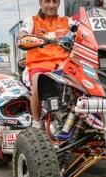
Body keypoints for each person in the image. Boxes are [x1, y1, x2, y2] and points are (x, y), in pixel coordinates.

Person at [17, 0, 70, 129]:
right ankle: (37, 122)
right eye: (47, 1)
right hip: (39, 65)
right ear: (40, 3)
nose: (51, 5)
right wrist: (25, 39)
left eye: (55, 2)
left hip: (64, 64)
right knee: (37, 80)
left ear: (59, 4)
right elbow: (22, 35)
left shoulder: (67, 21)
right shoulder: (32, 20)